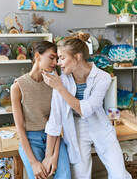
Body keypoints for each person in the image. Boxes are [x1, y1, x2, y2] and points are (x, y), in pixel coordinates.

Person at [42, 33, 132, 179]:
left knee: (119, 175)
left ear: (77, 57)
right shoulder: (61, 81)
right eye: (58, 58)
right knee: (80, 176)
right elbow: (55, 119)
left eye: (62, 58)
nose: (58, 63)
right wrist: (48, 156)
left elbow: (87, 110)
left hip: (100, 125)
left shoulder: (102, 77)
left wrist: (60, 89)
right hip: (76, 129)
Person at [11, 41, 71, 179]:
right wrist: (33, 163)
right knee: (37, 175)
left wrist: (54, 156)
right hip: (30, 139)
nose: (55, 62)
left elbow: (57, 122)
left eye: (57, 59)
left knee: (64, 175)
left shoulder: (54, 83)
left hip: (53, 138)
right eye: (51, 58)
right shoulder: (18, 86)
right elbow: (20, 128)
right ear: (37, 56)